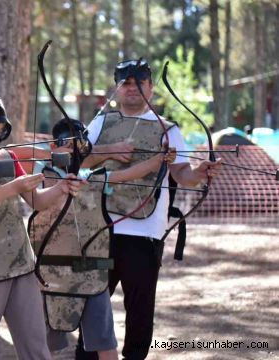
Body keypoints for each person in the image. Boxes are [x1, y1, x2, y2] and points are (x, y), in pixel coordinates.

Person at [79, 59, 221, 359]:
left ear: (151, 88)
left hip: (144, 233)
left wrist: (200, 174)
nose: (132, 89)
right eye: (126, 84)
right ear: (118, 89)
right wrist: (109, 151)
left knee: (140, 309)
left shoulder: (168, 130)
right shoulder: (101, 123)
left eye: (139, 83)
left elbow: (183, 174)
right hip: (100, 229)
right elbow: (78, 161)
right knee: (92, 304)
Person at [0, 91, 83, 360]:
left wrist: (62, 188)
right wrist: (14, 186)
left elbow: (37, 200)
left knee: (36, 348)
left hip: (22, 264)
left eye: (1, 130)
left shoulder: (8, 159)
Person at [30, 119, 176, 360]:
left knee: (104, 341)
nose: (72, 151)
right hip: (50, 272)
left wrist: (159, 159)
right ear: (53, 147)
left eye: (78, 146)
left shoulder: (91, 176)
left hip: (90, 272)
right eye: (65, 145)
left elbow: (126, 174)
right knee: (43, 341)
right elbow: (28, 168)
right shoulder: (41, 172)